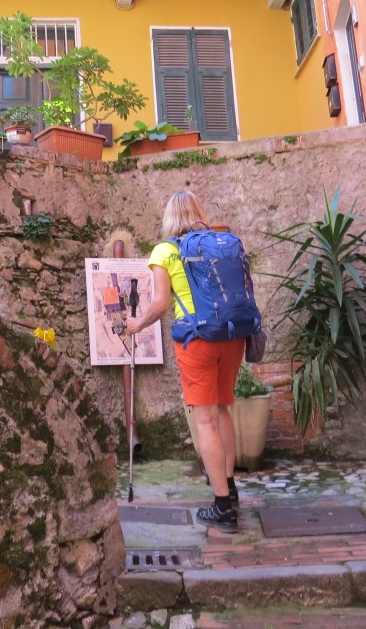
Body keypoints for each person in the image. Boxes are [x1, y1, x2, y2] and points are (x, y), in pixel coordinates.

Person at [124, 190, 243, 531]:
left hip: (197, 339)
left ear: (169, 217)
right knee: (222, 409)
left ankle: (222, 506)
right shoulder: (219, 243)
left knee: (204, 421)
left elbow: (161, 303)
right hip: (233, 336)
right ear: (198, 212)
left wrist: (138, 324)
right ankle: (230, 487)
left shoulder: (165, 251)